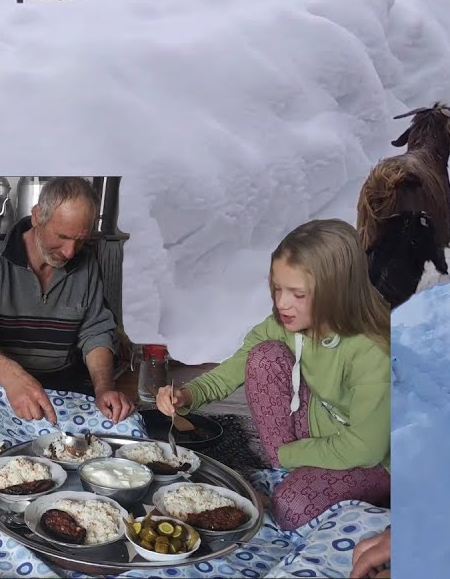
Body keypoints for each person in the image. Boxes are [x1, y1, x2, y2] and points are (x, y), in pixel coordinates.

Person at [156, 218, 391, 531]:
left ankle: (299, 478)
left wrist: (288, 453)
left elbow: (366, 446)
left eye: (297, 294)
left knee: (292, 507)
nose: (282, 303)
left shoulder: (372, 349)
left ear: (337, 292)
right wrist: (188, 395)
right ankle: (292, 472)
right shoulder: (289, 322)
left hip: (376, 458)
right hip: (323, 430)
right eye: (278, 288)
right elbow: (237, 364)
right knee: (263, 357)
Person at [0, 177, 134, 424]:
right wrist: (14, 378)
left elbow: (96, 331)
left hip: (64, 386)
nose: (70, 252)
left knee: (111, 442)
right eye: (62, 236)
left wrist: (103, 388)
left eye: (80, 240)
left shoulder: (87, 262)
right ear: (37, 216)